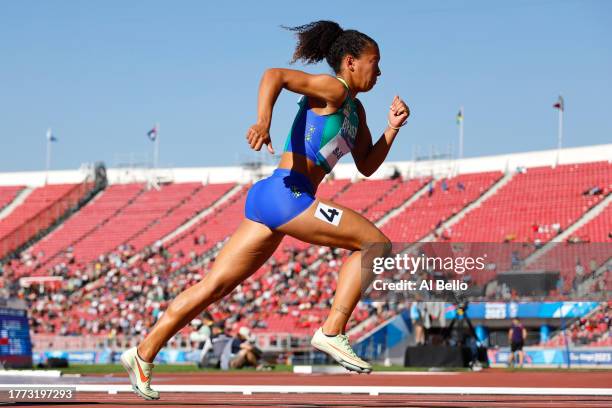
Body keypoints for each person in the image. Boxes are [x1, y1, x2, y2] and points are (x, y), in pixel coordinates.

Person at [120, 20, 409, 400]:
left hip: (273, 199)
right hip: (287, 193)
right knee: (376, 244)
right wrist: (262, 121)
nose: (380, 71)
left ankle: (142, 354)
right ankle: (332, 330)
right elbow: (274, 75)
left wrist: (392, 128)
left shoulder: (358, 112)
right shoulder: (333, 89)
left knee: (213, 287)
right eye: (375, 61)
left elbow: (368, 164)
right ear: (351, 62)